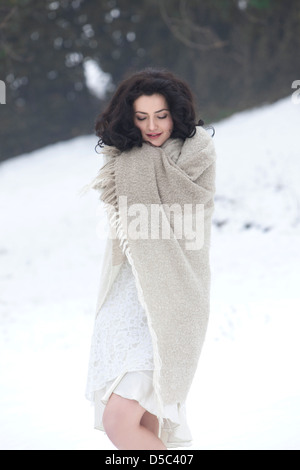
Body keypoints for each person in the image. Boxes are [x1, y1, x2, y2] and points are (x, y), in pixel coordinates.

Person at [84, 67, 217, 450]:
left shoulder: (197, 155)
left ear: (176, 113)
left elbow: (185, 219)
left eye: (161, 115)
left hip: (175, 297)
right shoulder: (122, 161)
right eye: (141, 117)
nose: (153, 126)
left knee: (118, 421)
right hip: (126, 300)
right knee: (144, 422)